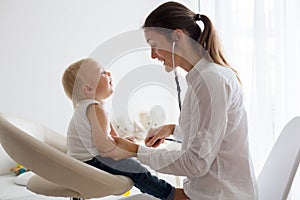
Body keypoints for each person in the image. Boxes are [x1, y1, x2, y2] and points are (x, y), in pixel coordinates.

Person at [101, 1, 258, 200]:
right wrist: (173, 129)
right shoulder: (202, 79)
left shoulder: (211, 81)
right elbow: (208, 136)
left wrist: (134, 151)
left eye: (154, 45)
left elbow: (196, 162)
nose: (152, 55)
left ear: (177, 37)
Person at [61, 58, 181, 200]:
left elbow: (110, 135)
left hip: (80, 161)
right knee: (136, 170)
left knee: (133, 166)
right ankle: (171, 194)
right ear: (88, 88)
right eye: (102, 73)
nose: (109, 73)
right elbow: (103, 146)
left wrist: (123, 142)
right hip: (91, 161)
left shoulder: (86, 108)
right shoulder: (95, 109)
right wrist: (127, 150)